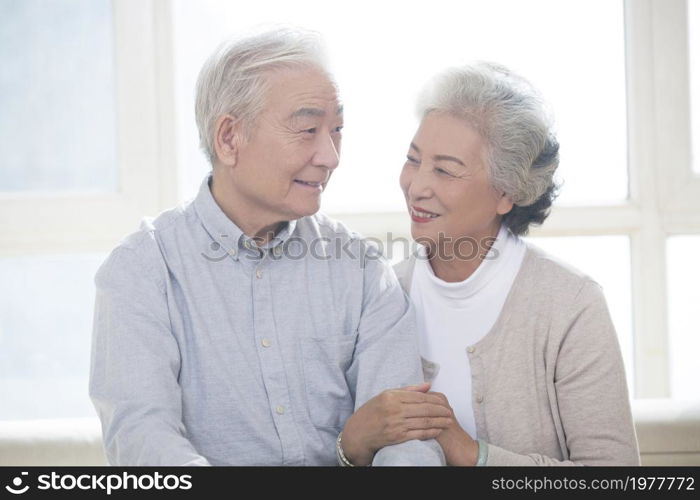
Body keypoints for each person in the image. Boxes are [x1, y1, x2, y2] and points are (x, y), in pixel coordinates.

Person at [88, 28, 447, 466]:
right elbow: (143, 441)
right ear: (229, 139)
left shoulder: (361, 267)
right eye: (308, 129)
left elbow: (406, 438)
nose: (331, 156)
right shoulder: (142, 270)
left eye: (337, 131)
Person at [339, 62, 641, 466]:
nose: (417, 186)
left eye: (445, 170)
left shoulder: (570, 304)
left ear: (506, 193)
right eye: (414, 160)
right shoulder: (381, 297)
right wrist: (352, 445)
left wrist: (473, 455)